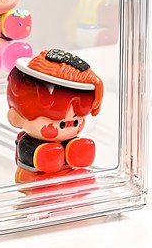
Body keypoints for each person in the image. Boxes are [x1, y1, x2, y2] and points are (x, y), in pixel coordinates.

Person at [6, 48, 103, 182]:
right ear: (17, 117)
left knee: (83, 177)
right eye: (59, 123)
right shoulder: (27, 143)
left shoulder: (70, 140)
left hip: (66, 176)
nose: (68, 126)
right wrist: (44, 156)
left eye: (77, 121)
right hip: (33, 180)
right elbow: (32, 157)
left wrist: (79, 152)